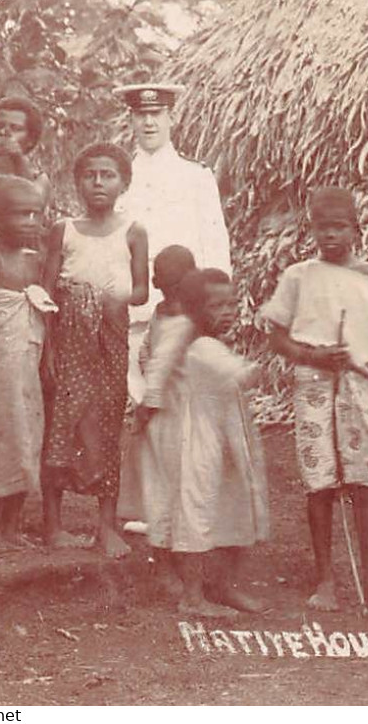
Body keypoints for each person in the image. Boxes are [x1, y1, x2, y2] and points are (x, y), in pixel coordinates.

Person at [261, 186, 368, 610]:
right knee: (320, 482)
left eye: (339, 227)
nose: (330, 236)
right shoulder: (298, 277)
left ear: (355, 229)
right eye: (322, 228)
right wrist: (312, 355)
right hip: (313, 384)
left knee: (363, 482)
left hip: (359, 384)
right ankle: (325, 580)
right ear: (312, 231)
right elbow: (276, 337)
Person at [40, 142, 147, 556]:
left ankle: (106, 526)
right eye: (90, 175)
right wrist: (48, 351)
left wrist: (110, 296)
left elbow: (140, 291)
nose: (98, 183)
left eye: (108, 175)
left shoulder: (133, 230)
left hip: (109, 338)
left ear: (124, 182)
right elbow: (47, 292)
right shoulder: (63, 230)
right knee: (61, 426)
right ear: (77, 181)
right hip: (68, 340)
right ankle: (53, 525)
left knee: (105, 423)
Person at [113, 83, 231, 411]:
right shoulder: (119, 178)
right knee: (141, 397)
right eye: (141, 114)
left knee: (188, 398)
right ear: (131, 119)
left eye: (157, 114)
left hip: (184, 307)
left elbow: (215, 242)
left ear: (171, 118)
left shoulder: (196, 176)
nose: (149, 123)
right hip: (136, 306)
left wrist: (214, 304)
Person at [160, 268, 269, 617]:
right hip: (202, 438)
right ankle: (192, 596)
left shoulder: (211, 342)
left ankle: (223, 586)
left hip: (227, 436)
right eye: (216, 305)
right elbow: (244, 375)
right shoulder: (202, 346)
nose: (228, 312)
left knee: (234, 509)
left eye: (232, 304)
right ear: (194, 309)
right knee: (199, 510)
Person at [0, 177, 53, 549]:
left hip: (29, 359)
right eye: (21, 213)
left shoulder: (38, 260)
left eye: (37, 214)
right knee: (0, 436)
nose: (31, 221)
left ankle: (11, 528)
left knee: (28, 435)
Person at [121, 244, 199, 594]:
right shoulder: (161, 315)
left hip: (188, 413)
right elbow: (149, 353)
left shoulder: (196, 319)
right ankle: (164, 563)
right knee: (162, 492)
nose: (172, 294)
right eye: (166, 286)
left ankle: (183, 560)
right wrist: (148, 394)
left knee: (187, 488)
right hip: (162, 414)